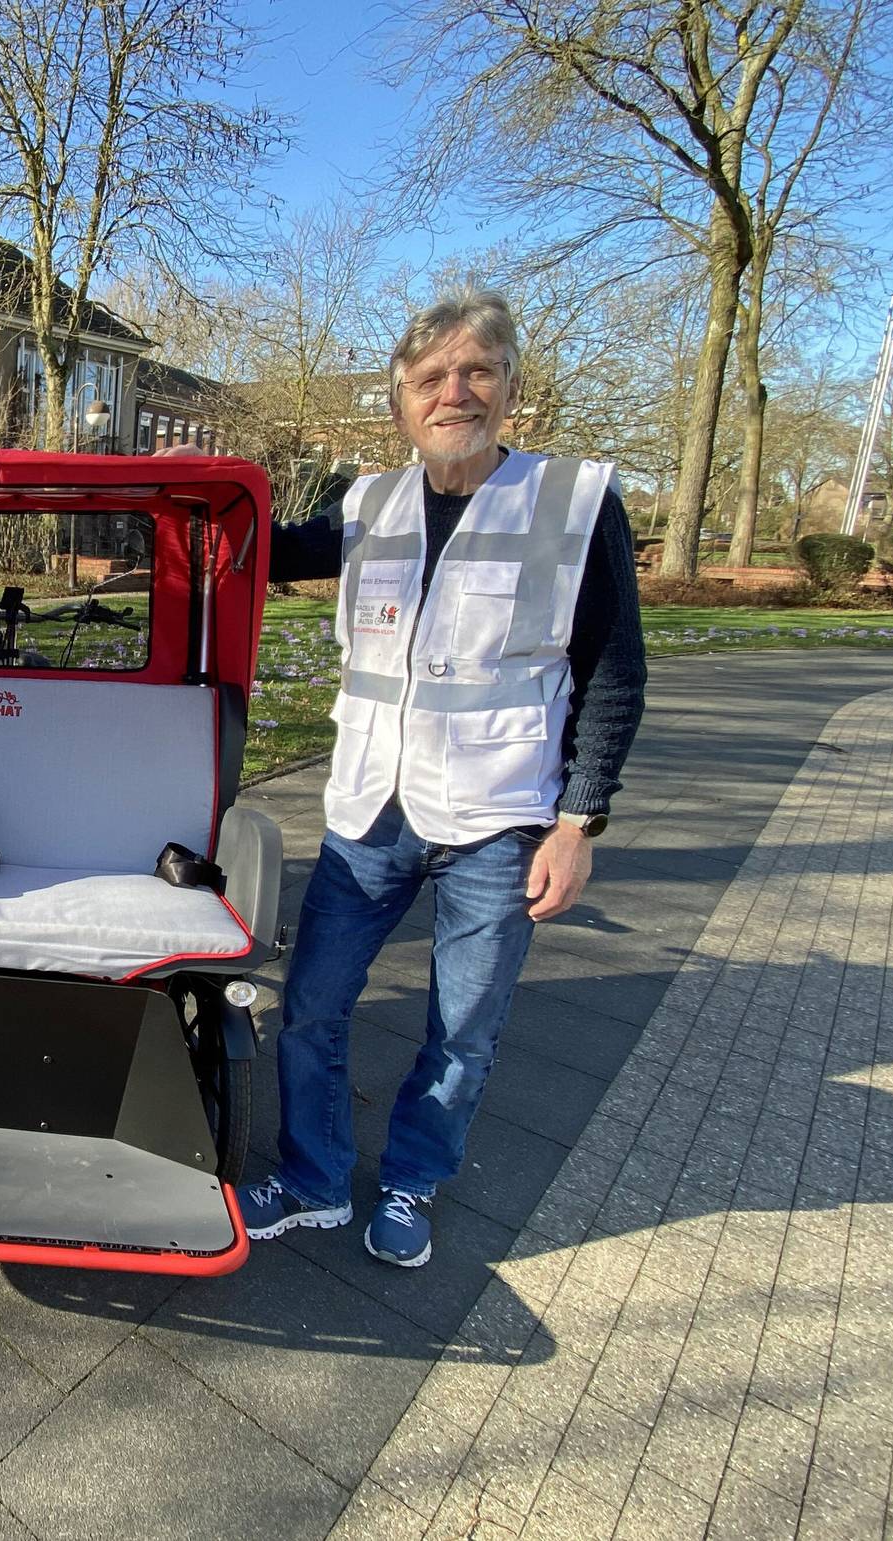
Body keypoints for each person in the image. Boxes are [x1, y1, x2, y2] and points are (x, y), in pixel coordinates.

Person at [237, 287, 647, 1268]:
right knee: (312, 1002)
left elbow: (616, 667)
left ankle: (414, 1178)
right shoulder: (368, 502)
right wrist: (209, 488)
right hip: (372, 810)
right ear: (400, 403)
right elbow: (268, 548)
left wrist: (578, 821)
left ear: (511, 389)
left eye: (476, 372)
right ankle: (314, 1177)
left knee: (463, 1026)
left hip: (502, 818)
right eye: (430, 378)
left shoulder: (573, 503)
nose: (452, 391)